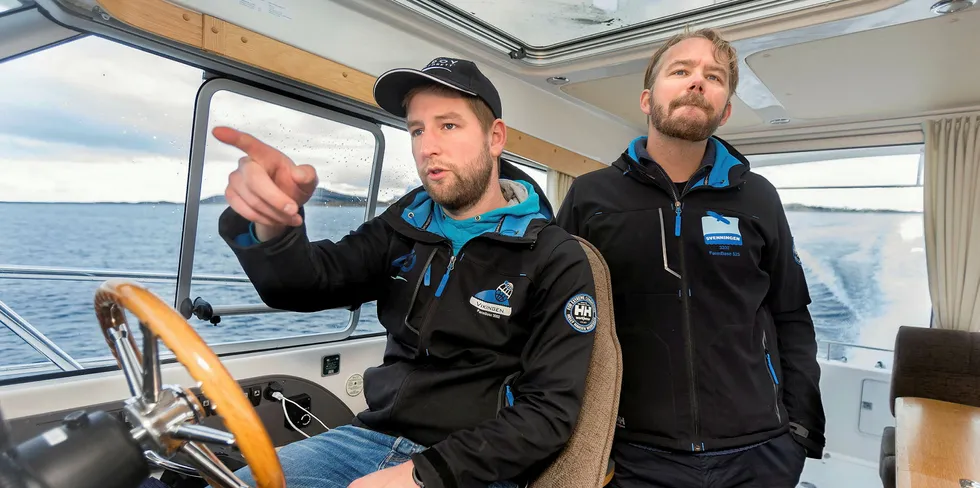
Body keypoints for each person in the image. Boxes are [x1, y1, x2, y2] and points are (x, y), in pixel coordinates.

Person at [213, 57, 598, 488]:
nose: (426, 146)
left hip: (475, 465)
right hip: (369, 440)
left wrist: (423, 475)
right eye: (417, 130)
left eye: (448, 126)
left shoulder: (553, 256)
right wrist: (273, 223)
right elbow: (305, 284)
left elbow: (548, 414)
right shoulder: (405, 226)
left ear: (495, 137)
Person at [556, 28, 825, 487]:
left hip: (759, 452)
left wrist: (799, 431)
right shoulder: (590, 197)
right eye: (681, 71)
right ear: (646, 99)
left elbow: (791, 315)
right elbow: (557, 318)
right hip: (633, 452)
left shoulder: (758, 197)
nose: (697, 82)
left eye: (714, 77)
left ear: (725, 110)